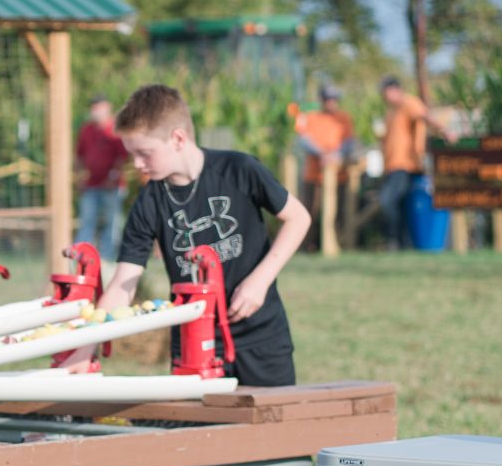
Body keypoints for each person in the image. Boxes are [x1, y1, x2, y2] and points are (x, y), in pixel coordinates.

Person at [68, 84, 311, 388]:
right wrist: (85, 347)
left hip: (262, 337)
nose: (138, 165)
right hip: (193, 344)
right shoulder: (149, 202)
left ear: (178, 139)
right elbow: (122, 285)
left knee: (274, 430)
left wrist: (260, 281)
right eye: (133, 155)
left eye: (145, 154)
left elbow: (298, 218)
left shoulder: (239, 169)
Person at [294, 85, 357, 251]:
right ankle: (306, 247)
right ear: (322, 100)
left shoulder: (344, 118)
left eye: (334, 99)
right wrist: (322, 153)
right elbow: (303, 139)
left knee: (338, 213)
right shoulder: (311, 117)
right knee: (309, 212)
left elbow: (349, 142)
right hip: (314, 175)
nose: (331, 103)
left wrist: (336, 154)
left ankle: (338, 245)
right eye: (328, 99)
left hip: (338, 175)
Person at [378, 75, 433, 251]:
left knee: (387, 201)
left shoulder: (409, 103)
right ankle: (403, 243)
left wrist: (446, 132)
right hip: (392, 166)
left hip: (406, 165)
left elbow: (425, 118)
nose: (383, 96)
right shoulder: (390, 112)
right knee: (400, 205)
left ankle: (394, 241)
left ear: (394, 89)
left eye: (385, 91)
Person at [75, 94, 130, 254]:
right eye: (93, 108)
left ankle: (107, 258)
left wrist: (112, 177)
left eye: (98, 107)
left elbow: (123, 157)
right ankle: (80, 256)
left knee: (111, 223)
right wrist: (79, 176)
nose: (95, 111)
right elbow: (79, 156)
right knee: (87, 221)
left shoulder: (116, 129)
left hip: (111, 187)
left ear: (107, 108)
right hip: (91, 185)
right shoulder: (87, 130)